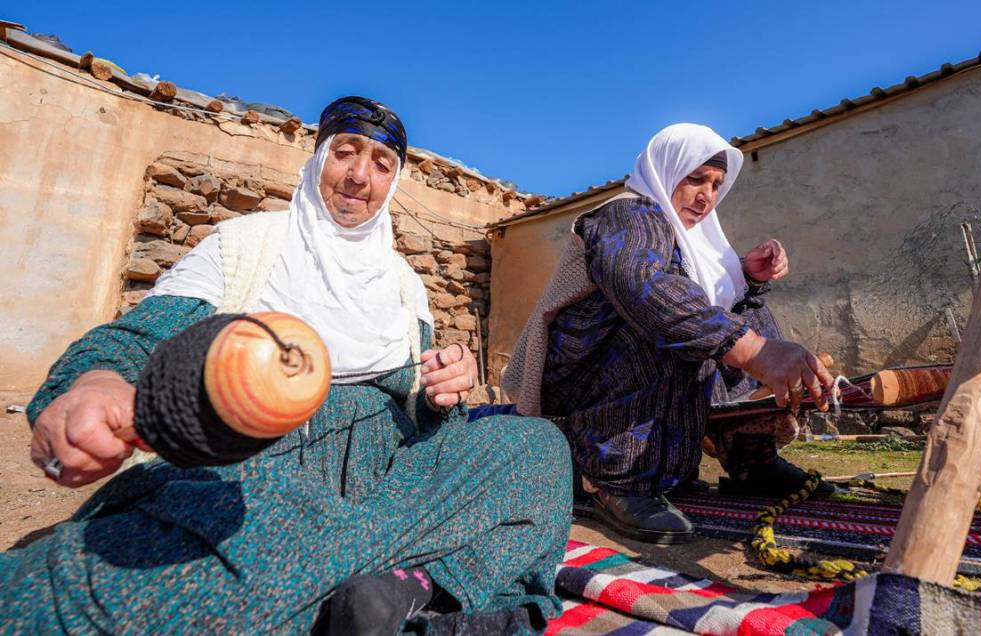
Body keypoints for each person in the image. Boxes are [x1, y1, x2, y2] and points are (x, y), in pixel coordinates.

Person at [0, 96, 572, 634]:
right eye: (344, 152)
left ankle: (364, 580)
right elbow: (130, 342)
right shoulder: (243, 246)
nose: (358, 176)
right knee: (214, 547)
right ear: (318, 158)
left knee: (537, 449)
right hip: (258, 468)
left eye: (380, 163)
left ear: (392, 181)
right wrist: (95, 383)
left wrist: (441, 392)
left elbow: (422, 417)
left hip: (388, 477)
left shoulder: (402, 285)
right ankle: (416, 586)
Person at [503, 123, 835, 545]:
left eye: (716, 184)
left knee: (747, 312)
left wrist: (745, 278)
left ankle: (750, 454)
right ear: (665, 171)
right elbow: (645, 284)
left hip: (634, 375)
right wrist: (755, 351)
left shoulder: (698, 242)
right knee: (669, 318)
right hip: (584, 378)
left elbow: (711, 303)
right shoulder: (627, 213)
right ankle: (612, 480)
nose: (706, 196)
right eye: (695, 178)